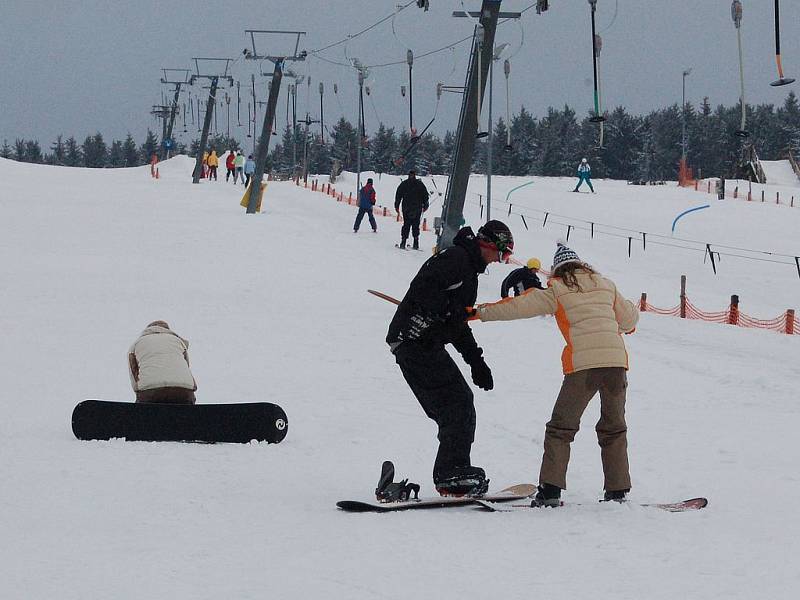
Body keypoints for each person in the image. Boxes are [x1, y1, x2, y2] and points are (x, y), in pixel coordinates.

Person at [475, 242, 639, 507]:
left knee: (560, 428)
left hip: (582, 366)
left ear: (557, 271)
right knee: (614, 428)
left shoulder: (558, 289)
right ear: (583, 266)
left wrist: (478, 313)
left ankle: (550, 491)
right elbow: (629, 320)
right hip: (616, 364)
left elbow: (519, 306)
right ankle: (617, 491)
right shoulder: (607, 285)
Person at [386, 220, 515, 496]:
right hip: (414, 341)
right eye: (501, 253)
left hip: (422, 342)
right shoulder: (457, 260)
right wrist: (433, 318)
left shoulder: (467, 267)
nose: (499, 260)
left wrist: (476, 362)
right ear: (489, 244)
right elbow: (425, 287)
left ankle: (454, 471)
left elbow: (457, 323)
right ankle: (449, 473)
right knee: (457, 403)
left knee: (457, 404)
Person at [127, 321, 197, 404]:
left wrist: (138, 392)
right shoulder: (178, 341)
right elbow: (186, 366)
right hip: (184, 392)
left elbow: (134, 373)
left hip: (151, 393)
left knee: (141, 412)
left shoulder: (136, 344)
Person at [394, 170, 429, 249]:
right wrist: (426, 205)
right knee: (416, 225)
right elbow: (425, 196)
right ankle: (416, 243)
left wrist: (396, 206)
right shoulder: (420, 184)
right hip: (417, 208)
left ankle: (403, 242)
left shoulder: (404, 184)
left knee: (406, 224)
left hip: (406, 208)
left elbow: (398, 195)